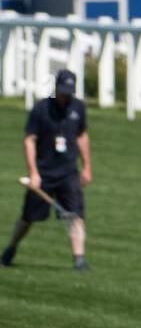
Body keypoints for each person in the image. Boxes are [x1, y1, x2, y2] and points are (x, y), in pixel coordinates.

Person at [2, 69, 91, 269]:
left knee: (75, 214)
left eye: (68, 91)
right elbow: (29, 140)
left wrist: (87, 167)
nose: (65, 95)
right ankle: (10, 249)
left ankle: (79, 259)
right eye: (62, 91)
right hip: (44, 174)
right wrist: (33, 172)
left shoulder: (78, 108)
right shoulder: (41, 109)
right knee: (28, 218)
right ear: (55, 88)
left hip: (68, 173)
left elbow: (81, 136)